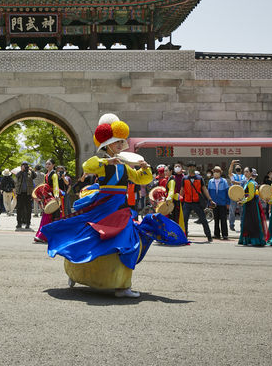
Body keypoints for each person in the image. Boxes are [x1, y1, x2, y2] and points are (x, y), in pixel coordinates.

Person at [42, 113, 188, 298]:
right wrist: (106, 161)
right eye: (117, 142)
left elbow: (143, 179)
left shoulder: (126, 166)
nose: (121, 146)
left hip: (120, 207)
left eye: (122, 143)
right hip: (103, 206)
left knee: (128, 241)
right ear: (108, 145)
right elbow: (88, 166)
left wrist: (144, 167)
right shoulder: (103, 164)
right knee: (88, 238)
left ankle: (123, 286)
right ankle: (75, 271)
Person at [180, 161, 214, 241]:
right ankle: (185, 236)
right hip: (187, 202)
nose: (191, 168)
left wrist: (210, 199)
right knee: (184, 220)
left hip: (197, 202)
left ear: (195, 168)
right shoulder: (184, 178)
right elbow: (182, 190)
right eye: (190, 166)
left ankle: (209, 236)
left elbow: (204, 189)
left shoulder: (199, 178)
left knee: (203, 219)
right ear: (188, 168)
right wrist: (179, 199)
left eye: (193, 166)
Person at [34, 158, 64, 243]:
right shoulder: (46, 175)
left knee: (50, 217)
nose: (47, 166)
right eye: (46, 164)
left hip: (53, 198)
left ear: (53, 165)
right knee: (46, 216)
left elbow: (55, 186)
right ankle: (44, 236)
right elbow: (44, 186)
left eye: (49, 164)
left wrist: (57, 196)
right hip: (47, 198)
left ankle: (44, 236)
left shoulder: (54, 175)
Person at [237, 167, 266, 247]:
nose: (245, 173)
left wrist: (242, 201)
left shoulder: (251, 183)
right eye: (244, 171)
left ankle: (255, 240)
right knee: (247, 223)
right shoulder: (248, 182)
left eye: (247, 171)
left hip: (251, 205)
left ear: (250, 173)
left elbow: (251, 196)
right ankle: (248, 240)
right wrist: (242, 201)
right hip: (248, 205)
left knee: (252, 222)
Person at [208, 166, 230, 240]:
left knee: (223, 219)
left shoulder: (224, 181)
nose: (216, 173)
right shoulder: (211, 181)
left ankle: (225, 234)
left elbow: (227, 193)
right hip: (214, 203)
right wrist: (209, 203)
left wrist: (228, 203)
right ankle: (216, 234)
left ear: (220, 173)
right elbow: (209, 193)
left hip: (223, 203)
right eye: (215, 171)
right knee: (216, 219)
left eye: (217, 171)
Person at [15, 162, 36, 229]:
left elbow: (35, 176)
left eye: (26, 166)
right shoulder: (19, 173)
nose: (25, 167)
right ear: (21, 167)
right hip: (20, 193)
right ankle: (19, 223)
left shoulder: (30, 173)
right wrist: (22, 170)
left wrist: (31, 170)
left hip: (28, 193)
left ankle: (28, 223)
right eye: (24, 166)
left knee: (28, 209)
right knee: (19, 209)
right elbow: (16, 176)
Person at [227, 160, 246, 231]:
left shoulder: (244, 176)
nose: (237, 169)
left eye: (238, 168)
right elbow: (229, 172)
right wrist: (232, 164)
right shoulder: (233, 175)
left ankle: (242, 225)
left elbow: (245, 182)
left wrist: (236, 182)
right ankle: (231, 225)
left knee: (242, 211)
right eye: (236, 168)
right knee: (232, 210)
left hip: (242, 196)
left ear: (241, 169)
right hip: (233, 195)